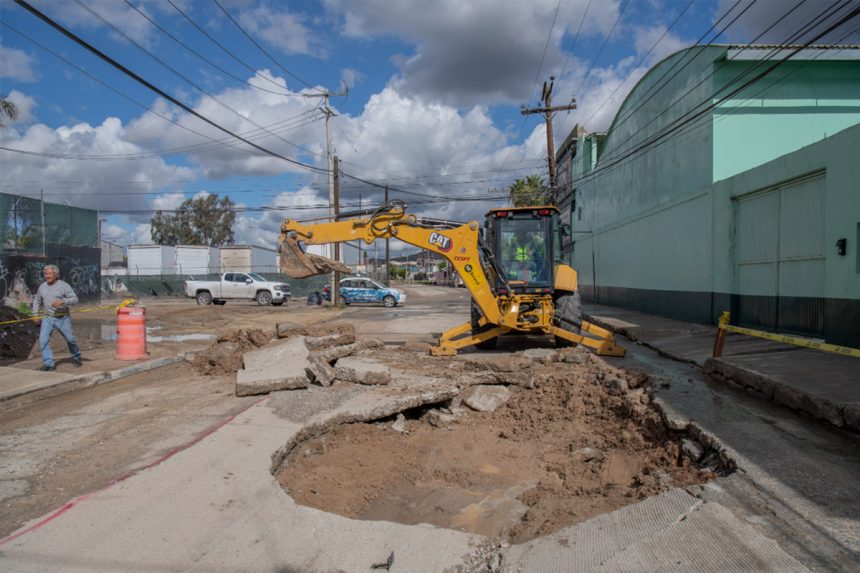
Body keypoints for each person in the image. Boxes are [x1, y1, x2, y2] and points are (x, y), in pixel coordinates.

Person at [32, 264, 82, 371]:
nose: (47, 276)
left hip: (62, 317)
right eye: (46, 274)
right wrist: (35, 315)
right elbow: (37, 301)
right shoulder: (42, 287)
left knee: (70, 339)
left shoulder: (63, 286)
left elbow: (75, 298)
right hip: (47, 317)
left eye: (50, 274)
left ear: (56, 274)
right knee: (43, 340)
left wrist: (63, 302)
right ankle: (48, 363)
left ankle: (76, 356)